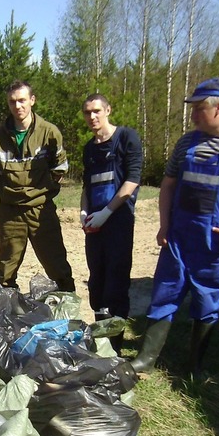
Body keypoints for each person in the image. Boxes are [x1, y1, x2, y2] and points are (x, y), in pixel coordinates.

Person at [130, 78, 219, 381]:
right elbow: (167, 186)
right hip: (179, 237)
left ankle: (195, 364)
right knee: (164, 293)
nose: (192, 115)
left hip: (213, 243)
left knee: (207, 299)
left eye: (198, 108)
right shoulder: (186, 143)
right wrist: (165, 225)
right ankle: (146, 358)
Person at [0, 80, 75, 292]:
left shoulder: (49, 132)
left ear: (32, 101)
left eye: (22, 100)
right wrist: (11, 193)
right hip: (10, 211)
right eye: (12, 102)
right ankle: (8, 316)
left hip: (41, 210)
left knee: (57, 265)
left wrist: (41, 190)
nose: (18, 106)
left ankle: (68, 311)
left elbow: (60, 168)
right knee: (7, 270)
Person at [79, 93, 143, 343]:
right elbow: (86, 186)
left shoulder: (127, 138)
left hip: (117, 221)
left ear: (108, 110)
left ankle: (115, 342)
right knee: (96, 281)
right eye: (87, 112)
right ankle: (101, 338)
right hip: (94, 225)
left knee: (116, 280)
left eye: (96, 111)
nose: (92, 116)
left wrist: (107, 213)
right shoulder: (90, 148)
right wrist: (84, 213)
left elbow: (132, 181)